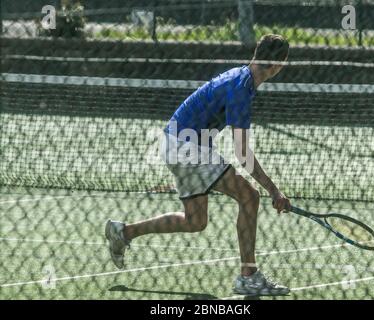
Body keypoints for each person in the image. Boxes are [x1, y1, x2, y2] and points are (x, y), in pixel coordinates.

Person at [105, 34, 291, 296]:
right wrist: (274, 190)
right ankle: (248, 276)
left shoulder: (241, 78)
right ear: (279, 65)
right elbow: (243, 153)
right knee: (249, 196)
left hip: (175, 143)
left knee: (196, 220)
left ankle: (123, 232)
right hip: (187, 146)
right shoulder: (241, 88)